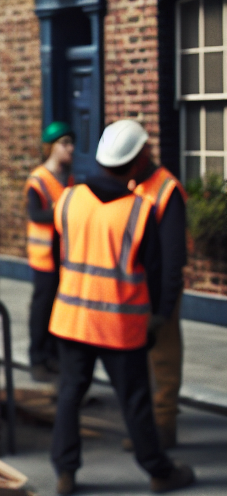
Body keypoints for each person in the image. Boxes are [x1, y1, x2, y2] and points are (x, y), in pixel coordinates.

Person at [49, 119, 193, 494]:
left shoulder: (68, 199)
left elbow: (55, 258)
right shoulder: (138, 211)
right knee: (135, 400)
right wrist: (158, 316)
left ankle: (65, 473)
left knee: (69, 395)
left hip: (71, 320)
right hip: (119, 325)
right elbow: (157, 271)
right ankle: (159, 471)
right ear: (137, 159)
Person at [129, 136, 188, 451]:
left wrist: (164, 309)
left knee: (163, 358)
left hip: (160, 290)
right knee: (139, 362)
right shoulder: (133, 185)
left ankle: (164, 427)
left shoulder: (167, 190)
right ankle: (146, 429)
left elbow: (173, 258)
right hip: (136, 288)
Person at [26, 121, 75, 382]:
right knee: (42, 309)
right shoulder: (38, 180)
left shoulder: (69, 179)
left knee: (60, 309)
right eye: (64, 143)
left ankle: (54, 356)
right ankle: (37, 358)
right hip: (44, 256)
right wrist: (62, 212)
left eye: (71, 143)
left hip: (64, 256)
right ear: (51, 147)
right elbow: (35, 214)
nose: (71, 148)